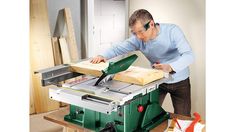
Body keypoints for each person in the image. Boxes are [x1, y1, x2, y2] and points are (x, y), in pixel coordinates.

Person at [90, 9, 194, 116]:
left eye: (140, 32)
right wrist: (102, 56)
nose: (138, 36)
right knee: (149, 116)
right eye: (135, 33)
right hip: (157, 81)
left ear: (151, 24)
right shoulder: (138, 39)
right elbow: (118, 48)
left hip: (180, 81)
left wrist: (170, 67)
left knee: (183, 117)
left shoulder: (173, 31)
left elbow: (189, 55)